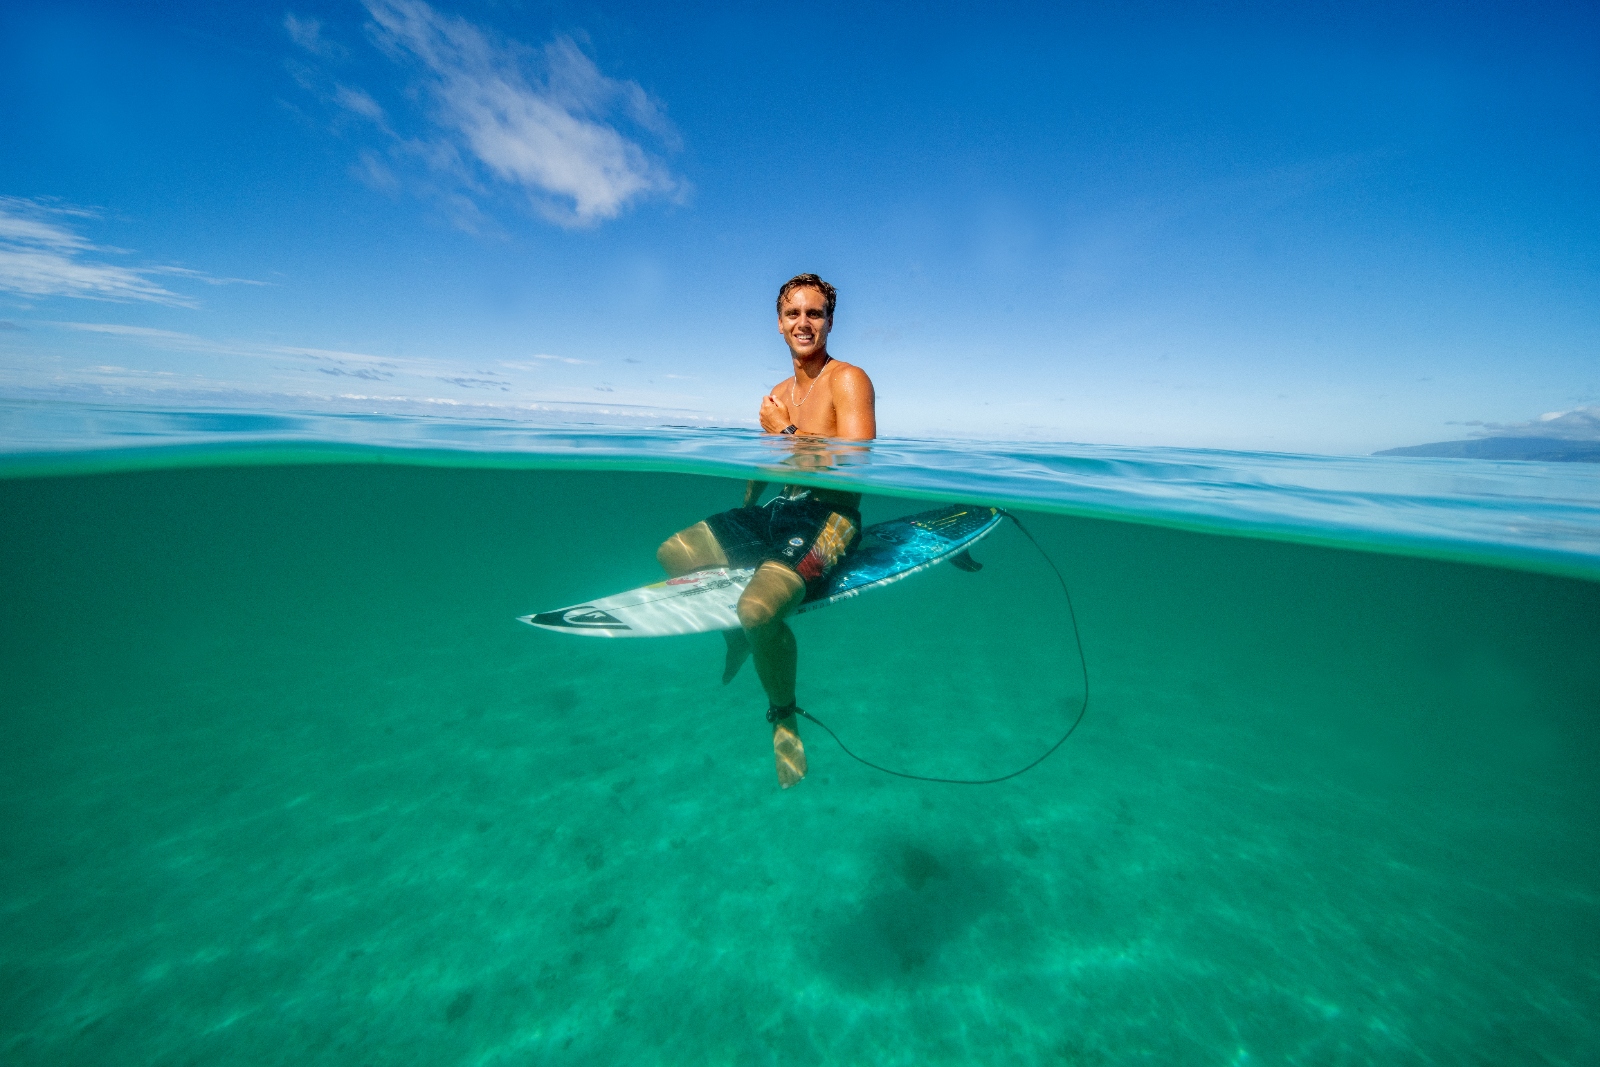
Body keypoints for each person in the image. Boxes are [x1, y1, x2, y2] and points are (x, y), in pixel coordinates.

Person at [655, 273, 877, 789]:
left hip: (830, 517)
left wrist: (789, 433)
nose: (804, 322)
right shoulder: (777, 394)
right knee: (674, 552)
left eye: (815, 313)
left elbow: (858, 464)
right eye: (794, 313)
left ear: (829, 321)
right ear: (778, 324)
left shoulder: (848, 379)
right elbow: (770, 466)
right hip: (780, 511)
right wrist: (746, 514)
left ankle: (784, 715)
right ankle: (739, 635)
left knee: (757, 607)